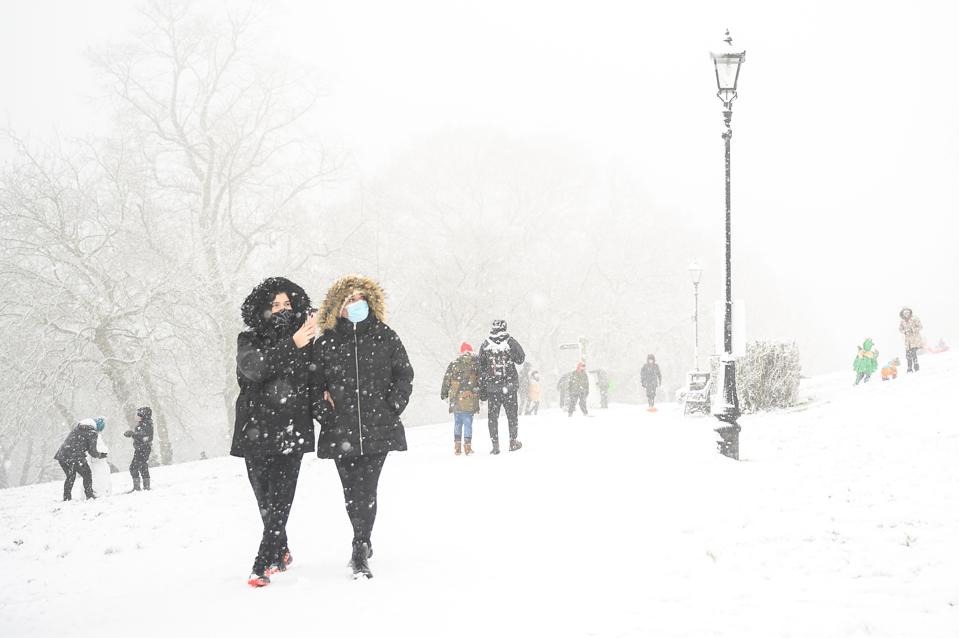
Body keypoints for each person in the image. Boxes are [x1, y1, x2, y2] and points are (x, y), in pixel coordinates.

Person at [313, 275, 414, 579]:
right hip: (340, 430)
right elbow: (313, 386)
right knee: (351, 491)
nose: (356, 304)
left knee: (367, 489)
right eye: (349, 300)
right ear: (338, 307)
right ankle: (363, 538)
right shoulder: (326, 343)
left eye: (360, 298)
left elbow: (403, 375)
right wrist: (325, 413)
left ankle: (360, 546)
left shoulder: (385, 336)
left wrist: (392, 405)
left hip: (378, 427)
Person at [232, 277, 317, 588]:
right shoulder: (248, 339)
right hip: (254, 431)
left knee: (280, 501)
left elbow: (315, 379)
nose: (282, 309)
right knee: (265, 501)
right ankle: (280, 550)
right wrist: (292, 344)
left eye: (287, 304)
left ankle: (261, 563)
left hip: (291, 430)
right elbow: (255, 370)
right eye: (275, 305)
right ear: (262, 309)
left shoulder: (308, 341)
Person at [478, 320, 526, 454]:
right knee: (512, 416)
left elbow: (481, 368)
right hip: (509, 387)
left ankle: (495, 446)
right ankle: (513, 442)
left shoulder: (486, 344)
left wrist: (483, 389)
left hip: (492, 388)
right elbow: (521, 359)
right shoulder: (509, 342)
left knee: (493, 418)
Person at [441, 342, 481, 455]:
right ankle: (467, 446)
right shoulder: (475, 364)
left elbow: (446, 379)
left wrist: (444, 394)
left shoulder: (454, 364)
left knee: (457, 422)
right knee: (468, 422)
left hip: (455, 398)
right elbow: (480, 380)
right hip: (469, 398)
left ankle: (457, 446)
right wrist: (481, 394)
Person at [53, 417, 108, 501]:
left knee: (70, 476)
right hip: (75, 457)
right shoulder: (92, 433)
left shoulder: (78, 428)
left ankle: (66, 498)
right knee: (87, 474)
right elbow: (92, 452)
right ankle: (89, 495)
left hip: (62, 455)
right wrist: (100, 455)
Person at [123, 406, 154, 492]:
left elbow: (143, 436)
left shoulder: (146, 424)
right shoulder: (144, 424)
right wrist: (133, 435)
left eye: (139, 414)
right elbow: (141, 436)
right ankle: (146, 487)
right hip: (141, 449)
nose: (137, 416)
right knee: (143, 466)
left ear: (144, 415)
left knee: (133, 467)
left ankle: (137, 488)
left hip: (143, 449)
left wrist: (132, 434)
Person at [899, 308, 924, 373]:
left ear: (910, 313)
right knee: (908, 354)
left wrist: (912, 330)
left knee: (913, 353)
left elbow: (920, 327)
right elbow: (900, 329)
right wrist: (905, 331)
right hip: (907, 341)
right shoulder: (902, 321)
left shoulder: (915, 319)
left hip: (915, 339)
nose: (906, 314)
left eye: (907, 313)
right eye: (905, 313)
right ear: (903, 314)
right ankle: (909, 368)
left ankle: (916, 366)